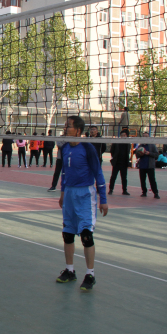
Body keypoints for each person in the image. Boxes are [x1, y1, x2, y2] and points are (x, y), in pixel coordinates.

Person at [56, 115, 108, 292]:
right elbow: (64, 173)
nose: (65, 128)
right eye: (65, 126)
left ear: (78, 130)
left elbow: (98, 173)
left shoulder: (88, 148)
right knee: (67, 233)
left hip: (85, 194)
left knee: (86, 235)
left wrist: (103, 199)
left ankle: (90, 274)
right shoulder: (64, 148)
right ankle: (70, 270)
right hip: (69, 194)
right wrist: (63, 193)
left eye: (68, 126)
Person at [136, 132, 160, 198]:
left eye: (146, 136)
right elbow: (137, 155)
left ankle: (156, 193)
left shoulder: (152, 145)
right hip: (142, 166)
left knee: (152, 180)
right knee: (142, 180)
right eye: (144, 136)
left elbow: (156, 155)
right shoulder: (140, 146)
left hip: (150, 166)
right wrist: (140, 154)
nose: (145, 138)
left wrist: (149, 153)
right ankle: (144, 192)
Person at [108, 129, 131, 196]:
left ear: (126, 136)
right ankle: (111, 189)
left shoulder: (128, 143)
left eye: (124, 135)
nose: (123, 136)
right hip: (117, 162)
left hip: (124, 163)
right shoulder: (116, 142)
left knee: (124, 178)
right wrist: (114, 157)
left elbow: (128, 152)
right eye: (122, 135)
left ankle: (124, 190)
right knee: (113, 177)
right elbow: (112, 150)